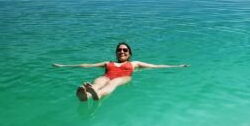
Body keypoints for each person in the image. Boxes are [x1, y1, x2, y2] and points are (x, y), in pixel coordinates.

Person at [53, 42, 189, 101]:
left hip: (124, 78)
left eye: (125, 50)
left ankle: (98, 95)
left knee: (115, 82)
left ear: (129, 53)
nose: (122, 51)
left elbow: (156, 66)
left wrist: (177, 66)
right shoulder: (108, 63)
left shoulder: (134, 63)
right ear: (116, 53)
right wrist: (63, 66)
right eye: (119, 50)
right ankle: (86, 96)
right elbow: (87, 65)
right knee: (99, 80)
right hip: (107, 75)